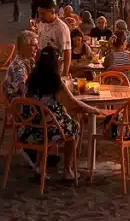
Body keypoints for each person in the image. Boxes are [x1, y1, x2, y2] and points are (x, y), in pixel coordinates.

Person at [20, 47, 103, 181]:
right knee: (74, 126)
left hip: (28, 128)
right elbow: (73, 103)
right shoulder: (55, 81)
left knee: (51, 121)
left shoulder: (32, 78)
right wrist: (94, 110)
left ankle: (39, 167)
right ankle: (67, 171)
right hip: (46, 131)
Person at [36, 0, 71, 77]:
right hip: (42, 65)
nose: (40, 16)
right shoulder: (41, 24)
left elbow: (67, 51)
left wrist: (65, 74)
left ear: (52, 11)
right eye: (39, 13)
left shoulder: (61, 28)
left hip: (55, 68)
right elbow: (39, 47)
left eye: (43, 13)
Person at [3, 30, 40, 101]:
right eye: (34, 45)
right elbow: (25, 92)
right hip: (21, 104)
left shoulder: (29, 60)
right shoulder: (18, 66)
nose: (37, 48)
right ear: (24, 46)